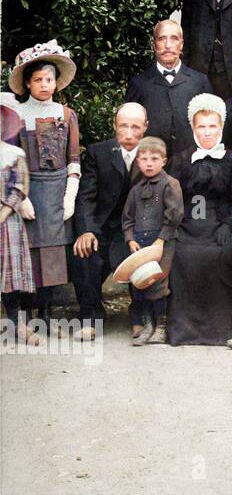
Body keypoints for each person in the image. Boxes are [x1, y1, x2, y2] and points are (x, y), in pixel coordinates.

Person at [166, 94, 232, 347]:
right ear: (193, 128)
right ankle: (186, 330)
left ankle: (226, 329)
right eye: (202, 126)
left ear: (221, 128)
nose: (207, 132)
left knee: (225, 252)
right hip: (187, 224)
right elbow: (173, 199)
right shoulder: (180, 160)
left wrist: (227, 224)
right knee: (182, 254)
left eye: (213, 126)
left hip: (221, 222)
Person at [9, 41, 81, 336]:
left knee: (53, 257)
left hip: (56, 192)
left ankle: (47, 314)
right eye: (37, 79)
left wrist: (70, 195)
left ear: (56, 82)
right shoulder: (16, 115)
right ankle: (25, 318)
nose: (44, 85)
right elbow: (10, 159)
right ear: (27, 83)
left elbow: (73, 158)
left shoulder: (66, 115)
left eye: (48, 79)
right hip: (29, 190)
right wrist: (21, 197)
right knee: (28, 255)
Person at [70, 102, 148, 341]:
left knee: (145, 257)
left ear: (145, 128)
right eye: (123, 126)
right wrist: (86, 231)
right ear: (114, 125)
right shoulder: (97, 153)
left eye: (135, 127)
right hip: (102, 229)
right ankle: (91, 317)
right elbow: (86, 197)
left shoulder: (153, 153)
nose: (128, 133)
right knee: (84, 255)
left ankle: (140, 317)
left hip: (136, 230)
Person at [120, 136, 183, 345]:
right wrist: (130, 240)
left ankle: (161, 327)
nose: (149, 163)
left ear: (164, 160)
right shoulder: (136, 190)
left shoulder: (170, 185)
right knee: (140, 283)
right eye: (144, 159)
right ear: (137, 161)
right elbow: (127, 219)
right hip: (140, 243)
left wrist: (161, 240)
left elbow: (175, 215)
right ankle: (147, 325)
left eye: (154, 159)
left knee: (157, 282)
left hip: (162, 243)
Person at [126, 21, 213, 154]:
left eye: (174, 38)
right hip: (151, 164)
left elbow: (212, 125)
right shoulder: (138, 84)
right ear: (154, 44)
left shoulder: (200, 81)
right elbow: (129, 129)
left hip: (192, 165)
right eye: (162, 39)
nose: (168, 45)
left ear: (181, 44)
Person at [1, 97, 36, 344]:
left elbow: (20, 186)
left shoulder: (13, 154)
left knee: (10, 279)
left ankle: (18, 326)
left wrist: (3, 212)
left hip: (7, 222)